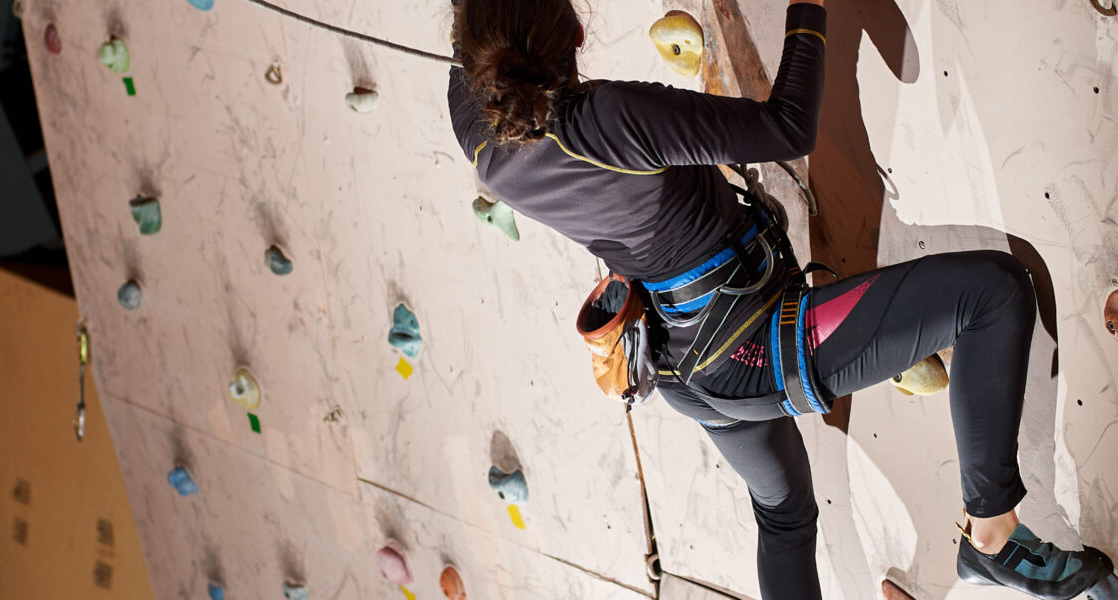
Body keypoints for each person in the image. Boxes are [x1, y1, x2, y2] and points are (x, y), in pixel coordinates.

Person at [446, 0, 1114, 598]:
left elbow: (469, 46)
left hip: (681, 367)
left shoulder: (479, 140)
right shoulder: (608, 122)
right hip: (752, 346)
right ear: (574, 29)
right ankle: (991, 536)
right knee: (992, 293)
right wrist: (806, 8)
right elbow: (788, 126)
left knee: (785, 516)